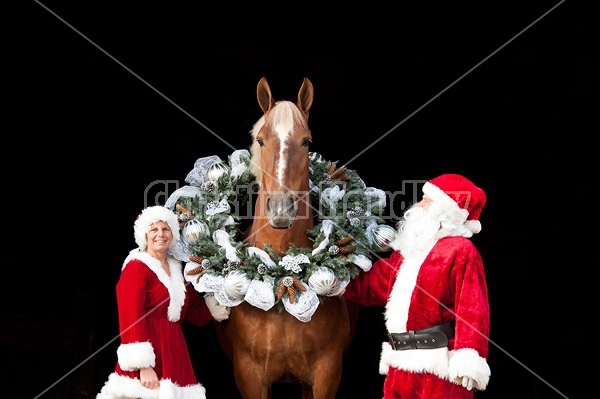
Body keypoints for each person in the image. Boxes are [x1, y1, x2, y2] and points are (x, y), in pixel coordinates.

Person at [344, 173, 491, 399]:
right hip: (400, 365)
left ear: (445, 212)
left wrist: (469, 355)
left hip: (440, 370)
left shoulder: (461, 251)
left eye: (427, 200)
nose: (418, 205)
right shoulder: (407, 251)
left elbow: (472, 310)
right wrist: (334, 280)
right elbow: (370, 286)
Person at [97, 205, 229, 399]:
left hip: (174, 351)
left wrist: (224, 292)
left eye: (165, 229)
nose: (161, 234)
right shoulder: (136, 269)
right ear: (145, 235)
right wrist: (144, 365)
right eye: (154, 229)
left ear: (172, 234)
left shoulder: (177, 270)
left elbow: (196, 313)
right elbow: (130, 319)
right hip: (148, 351)